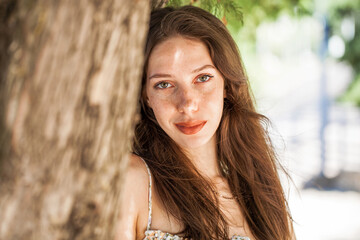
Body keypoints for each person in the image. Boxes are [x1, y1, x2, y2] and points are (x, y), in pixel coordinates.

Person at [116, 5, 294, 240]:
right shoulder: (131, 179)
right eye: (164, 84)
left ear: (227, 86)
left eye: (203, 78)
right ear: (145, 97)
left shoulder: (261, 192)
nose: (187, 104)